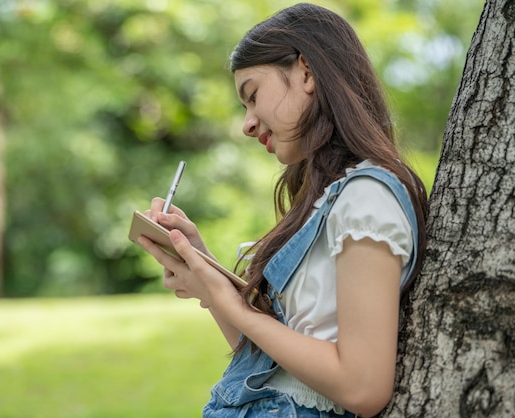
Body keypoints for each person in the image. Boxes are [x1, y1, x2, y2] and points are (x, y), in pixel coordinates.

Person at [137, 3, 427, 417]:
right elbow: (272, 362)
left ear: (306, 72)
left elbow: (363, 387)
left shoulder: (367, 198)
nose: (247, 124)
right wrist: (204, 271)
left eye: (252, 96)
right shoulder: (326, 198)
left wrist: (233, 303)